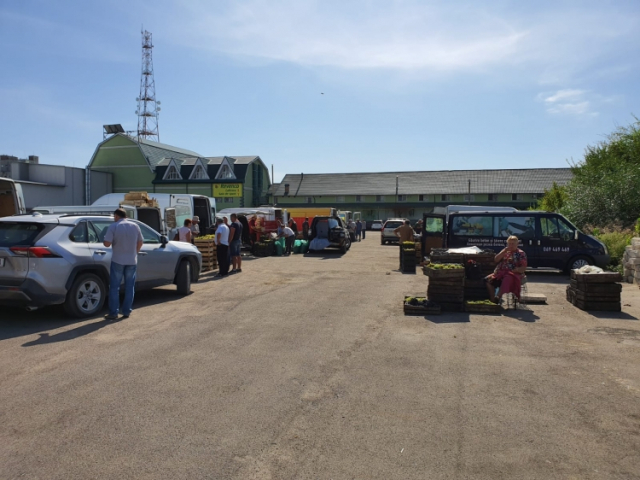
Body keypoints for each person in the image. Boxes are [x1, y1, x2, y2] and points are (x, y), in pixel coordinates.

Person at [103, 208, 143, 320]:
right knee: (130, 287)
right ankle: (126, 311)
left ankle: (113, 313)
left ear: (116, 216)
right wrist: (135, 252)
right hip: (132, 260)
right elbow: (140, 242)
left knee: (115, 287)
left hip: (118, 260)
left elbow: (106, 244)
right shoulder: (135, 226)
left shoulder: (114, 226)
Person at [485, 235, 527, 304]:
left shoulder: (521, 253)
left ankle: (498, 296)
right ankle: (493, 300)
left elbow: (523, 267)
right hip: (500, 272)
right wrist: (503, 252)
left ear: (517, 244)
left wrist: (516, 270)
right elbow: (496, 260)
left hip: (513, 273)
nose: (511, 245)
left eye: (513, 244)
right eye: (509, 244)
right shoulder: (505, 251)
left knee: (507, 278)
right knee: (487, 280)